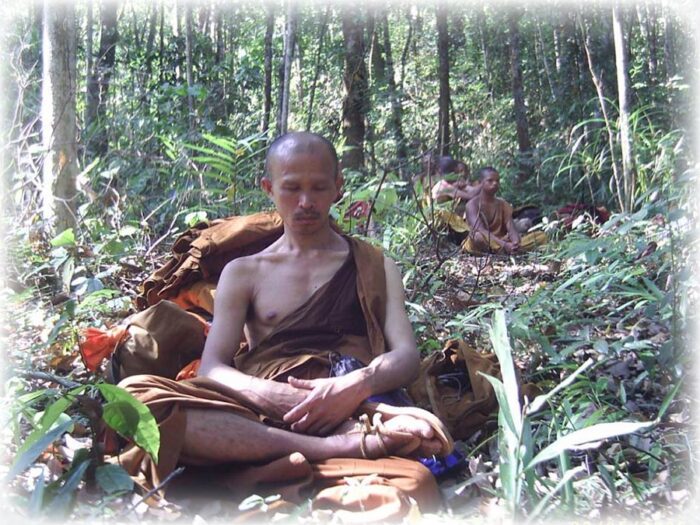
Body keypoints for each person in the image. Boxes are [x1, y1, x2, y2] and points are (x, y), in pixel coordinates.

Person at [114, 132, 453, 516]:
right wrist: (278, 397)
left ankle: (293, 458)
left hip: (351, 407)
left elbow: (406, 356)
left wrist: (356, 385)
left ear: (338, 188)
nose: (306, 202)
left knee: (417, 484)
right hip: (265, 410)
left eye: (319, 187)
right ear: (269, 189)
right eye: (291, 188)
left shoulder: (374, 264)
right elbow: (213, 367)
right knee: (138, 400)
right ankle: (332, 451)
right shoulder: (244, 272)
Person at [463, 166, 545, 254]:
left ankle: (510, 250)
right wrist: (504, 245)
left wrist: (515, 242)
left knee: (541, 236)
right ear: (480, 183)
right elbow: (480, 230)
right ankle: (504, 250)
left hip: (502, 241)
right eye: (490, 181)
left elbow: (511, 228)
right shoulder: (472, 204)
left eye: (497, 181)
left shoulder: (503, 204)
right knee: (478, 237)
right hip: (485, 242)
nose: (495, 183)